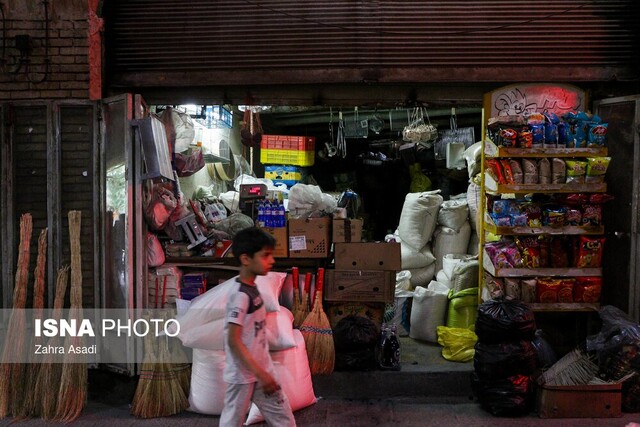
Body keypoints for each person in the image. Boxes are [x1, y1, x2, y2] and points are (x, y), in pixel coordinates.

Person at [219, 227, 296, 427]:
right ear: (246, 259)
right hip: (243, 375)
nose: (272, 261)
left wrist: (264, 371)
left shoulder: (254, 288)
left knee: (283, 417)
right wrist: (259, 373)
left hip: (263, 369)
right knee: (232, 421)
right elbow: (233, 340)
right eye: (265, 256)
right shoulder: (239, 296)